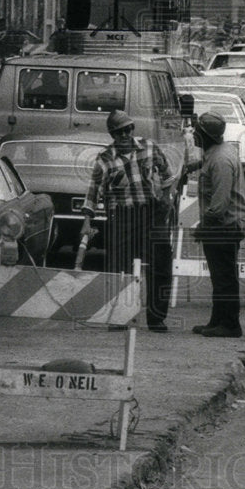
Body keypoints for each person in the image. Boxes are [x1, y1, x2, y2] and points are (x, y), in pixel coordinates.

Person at [80, 110, 175, 332]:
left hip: (151, 213)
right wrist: (87, 221)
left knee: (160, 264)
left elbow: (168, 176)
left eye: (128, 130)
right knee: (118, 269)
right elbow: (93, 192)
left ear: (133, 129)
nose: (125, 135)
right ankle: (120, 316)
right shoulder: (105, 159)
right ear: (112, 135)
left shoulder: (149, 147)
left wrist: (166, 198)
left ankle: (156, 318)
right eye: (119, 132)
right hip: (121, 217)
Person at [190, 112, 245, 338]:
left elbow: (221, 201)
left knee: (224, 276)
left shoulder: (220, 160)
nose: (194, 134)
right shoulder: (217, 154)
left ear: (206, 135)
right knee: (220, 275)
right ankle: (217, 320)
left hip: (224, 225)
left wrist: (205, 226)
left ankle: (230, 324)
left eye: (197, 131)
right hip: (223, 224)